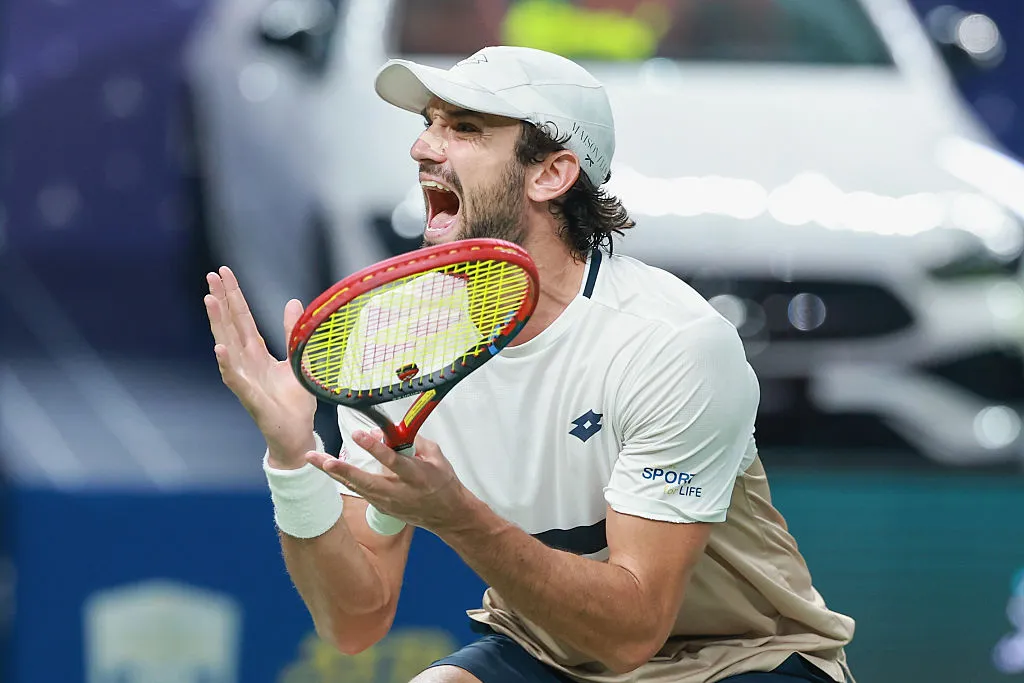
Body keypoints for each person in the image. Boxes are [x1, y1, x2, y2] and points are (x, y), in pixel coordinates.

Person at [204, 46, 856, 683]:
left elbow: (632, 633)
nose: (423, 147)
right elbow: (356, 622)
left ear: (551, 174)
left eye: (464, 128)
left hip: (743, 657)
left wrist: (458, 516)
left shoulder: (671, 344)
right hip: (547, 651)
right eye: (428, 124)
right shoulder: (392, 338)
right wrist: (291, 459)